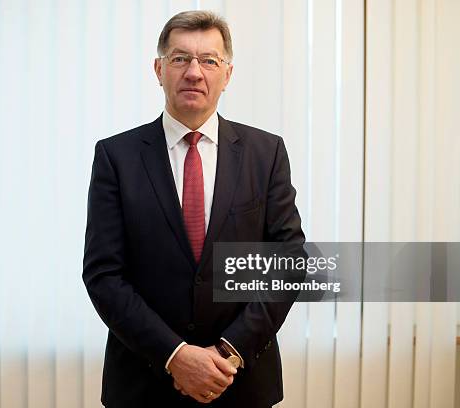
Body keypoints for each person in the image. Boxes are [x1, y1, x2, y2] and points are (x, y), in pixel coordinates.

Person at [83, 10, 305, 408]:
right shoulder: (116, 157)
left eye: (209, 60)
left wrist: (228, 353)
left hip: (241, 383)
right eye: (180, 58)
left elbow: (287, 262)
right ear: (159, 69)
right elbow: (104, 274)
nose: (194, 72)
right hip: (144, 384)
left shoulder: (266, 153)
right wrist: (175, 356)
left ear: (228, 74)